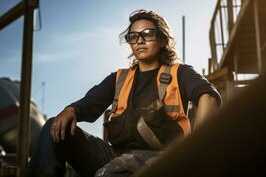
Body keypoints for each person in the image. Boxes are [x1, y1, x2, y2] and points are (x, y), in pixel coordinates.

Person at [27, 9, 221, 177]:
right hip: (116, 158)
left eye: (148, 34)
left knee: (116, 169)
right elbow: (90, 103)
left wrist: (197, 149)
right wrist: (72, 109)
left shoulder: (180, 73)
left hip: (164, 160)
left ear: (162, 39)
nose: (140, 41)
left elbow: (208, 96)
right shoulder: (119, 78)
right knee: (55, 127)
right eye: (133, 36)